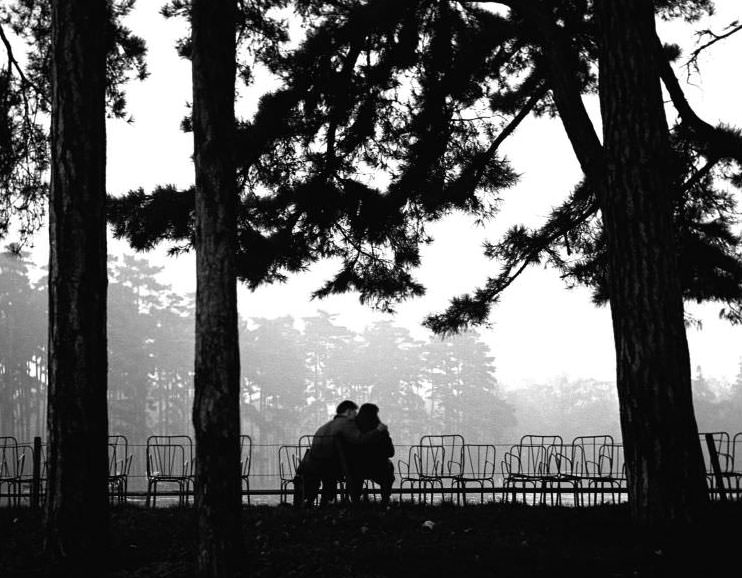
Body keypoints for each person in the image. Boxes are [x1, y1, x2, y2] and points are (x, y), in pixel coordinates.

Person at [295, 400, 387, 507]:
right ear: (348, 412)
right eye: (354, 412)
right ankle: (354, 503)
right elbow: (359, 439)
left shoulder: (325, 426)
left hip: (312, 465)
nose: (356, 415)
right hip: (331, 465)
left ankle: (315, 503)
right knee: (357, 471)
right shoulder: (346, 424)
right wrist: (378, 430)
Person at [349, 403, 395, 506]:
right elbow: (390, 452)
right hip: (378, 468)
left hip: (356, 468)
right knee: (388, 474)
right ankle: (384, 503)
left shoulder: (352, 430)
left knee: (355, 478)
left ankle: (355, 503)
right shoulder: (381, 432)